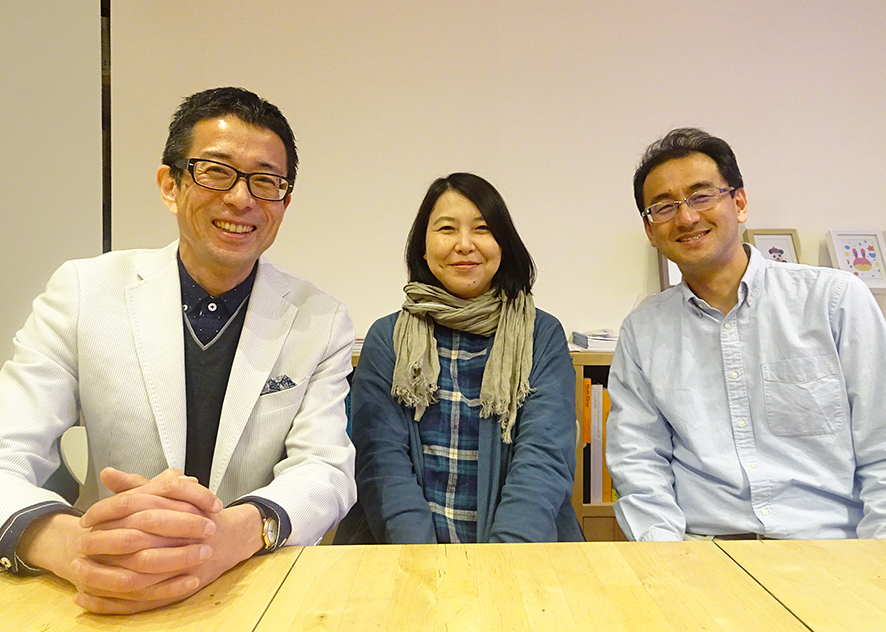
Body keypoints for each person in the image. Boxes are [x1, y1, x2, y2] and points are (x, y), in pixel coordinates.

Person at [0, 87, 356, 613]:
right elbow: (7, 447)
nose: (242, 198)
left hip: (250, 585)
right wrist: (68, 543)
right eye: (216, 171)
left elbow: (325, 468)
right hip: (101, 581)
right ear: (170, 184)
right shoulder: (83, 291)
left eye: (265, 181)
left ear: (284, 203)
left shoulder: (320, 319)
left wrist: (232, 534)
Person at [606, 127, 886, 541]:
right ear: (650, 230)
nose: (686, 217)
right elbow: (639, 465)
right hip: (704, 553)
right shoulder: (643, 331)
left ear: (739, 203)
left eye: (701, 196)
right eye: (663, 207)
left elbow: (881, 448)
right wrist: (667, 562)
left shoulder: (835, 301)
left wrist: (874, 562)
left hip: (830, 547)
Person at [335, 172, 583, 544]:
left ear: (504, 244)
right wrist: (423, 564)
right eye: (447, 229)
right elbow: (382, 465)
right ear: (423, 246)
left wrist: (503, 561)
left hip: (520, 554)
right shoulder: (387, 338)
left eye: (482, 229)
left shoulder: (541, 335)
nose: (464, 245)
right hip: (402, 554)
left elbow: (543, 462)